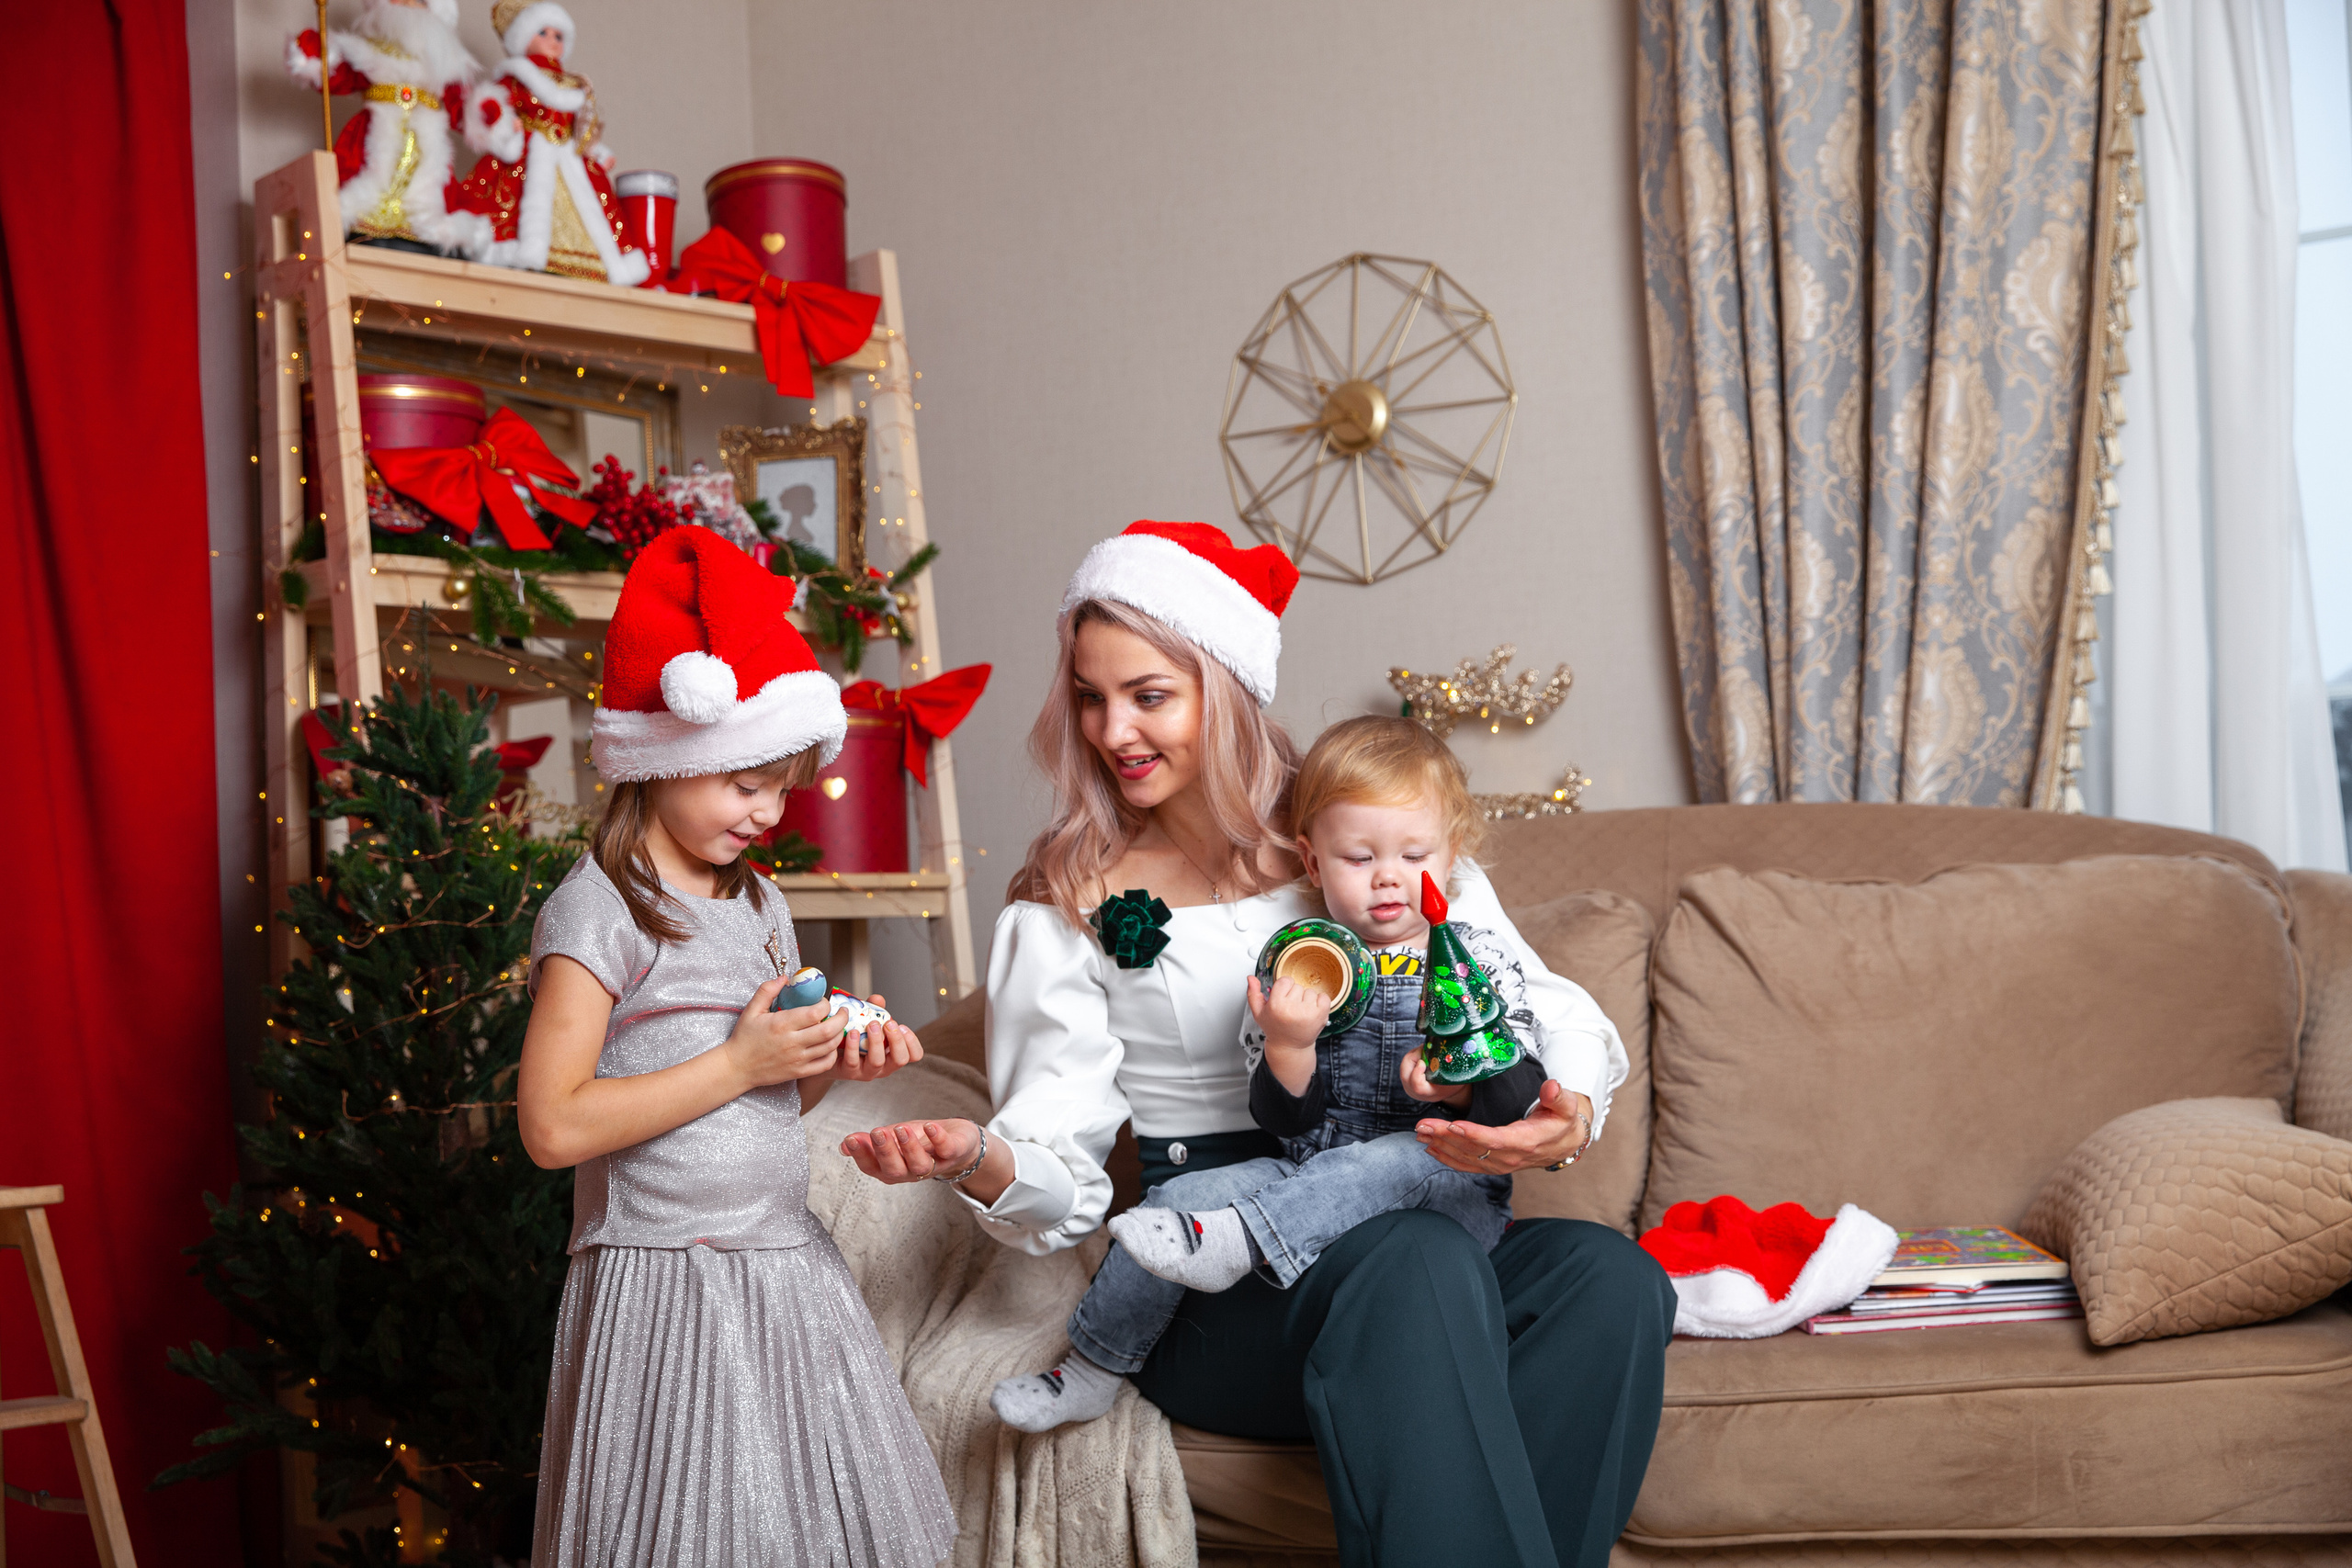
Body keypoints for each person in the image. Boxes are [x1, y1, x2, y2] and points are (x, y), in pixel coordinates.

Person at [842, 520, 1676, 1567]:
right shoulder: (1068, 909)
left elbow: (1552, 1009)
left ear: (1225, 687)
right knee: (1412, 1262)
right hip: (1221, 1281)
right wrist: (982, 1159)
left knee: (1609, 1279)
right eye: (1091, 697)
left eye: (1148, 694)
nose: (1112, 729)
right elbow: (1058, 1174)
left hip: (1406, 1214)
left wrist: (1568, 1113)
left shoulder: (1368, 839)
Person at [517, 527, 955, 1567]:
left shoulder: (759, 900)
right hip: (666, 1280)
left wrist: (813, 1063)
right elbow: (551, 1125)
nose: (767, 811)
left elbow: (766, 1098)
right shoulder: (599, 910)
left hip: (783, 1264)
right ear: (668, 754)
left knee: (812, 1532)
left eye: (782, 784)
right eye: (743, 782)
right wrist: (739, 1063)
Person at [989, 715, 1549, 1429]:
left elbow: (1520, 1092)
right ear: (1312, 864)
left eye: (1414, 854)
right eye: (1357, 857)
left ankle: (1239, 1239)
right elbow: (1285, 1122)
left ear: (1452, 855)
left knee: (1396, 1155)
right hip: (1311, 1176)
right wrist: (1289, 1043)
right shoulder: (1303, 959)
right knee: (1186, 1194)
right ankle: (1094, 1363)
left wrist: (1462, 1082)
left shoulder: (1477, 958)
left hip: (1442, 1190)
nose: (1388, 877)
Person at [453, 0, 652, 285]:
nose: (551, 40)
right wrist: (505, 124)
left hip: (569, 157)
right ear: (523, 38)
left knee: (592, 206)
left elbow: (584, 129)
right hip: (527, 154)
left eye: (558, 35)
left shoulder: (574, 85)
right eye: (542, 33)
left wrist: (598, 150)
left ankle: (585, 263)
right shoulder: (515, 79)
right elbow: (491, 108)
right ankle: (521, 255)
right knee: (516, 201)